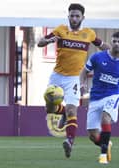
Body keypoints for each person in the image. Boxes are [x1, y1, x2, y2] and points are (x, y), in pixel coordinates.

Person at [37, 3, 109, 158]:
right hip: (57, 75)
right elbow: (39, 43)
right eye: (72, 16)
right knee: (49, 108)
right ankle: (61, 113)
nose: (74, 18)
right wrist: (50, 40)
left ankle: (69, 141)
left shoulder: (88, 33)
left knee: (72, 110)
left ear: (82, 17)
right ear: (68, 16)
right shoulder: (60, 30)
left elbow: (104, 46)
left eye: (77, 16)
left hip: (74, 78)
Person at [80, 31, 119, 164]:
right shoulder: (97, 57)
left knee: (105, 117)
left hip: (113, 95)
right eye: (114, 41)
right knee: (92, 135)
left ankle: (103, 156)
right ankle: (106, 145)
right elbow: (85, 71)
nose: (117, 44)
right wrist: (81, 84)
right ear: (111, 42)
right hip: (95, 97)